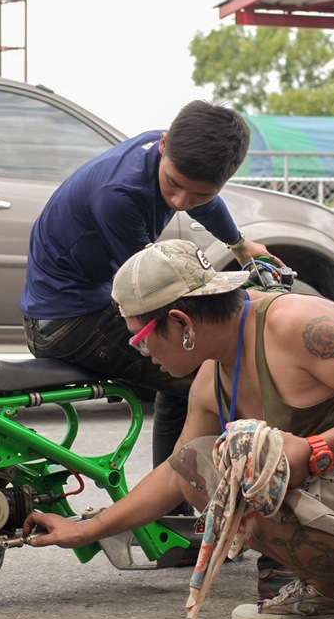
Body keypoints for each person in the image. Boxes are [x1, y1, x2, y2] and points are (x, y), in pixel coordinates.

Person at [24, 239, 334, 619]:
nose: (141, 354)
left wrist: (317, 448)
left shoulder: (295, 323)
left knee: (250, 482)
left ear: (180, 323)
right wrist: (86, 529)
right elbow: (178, 473)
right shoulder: (213, 372)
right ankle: (328, 588)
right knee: (203, 468)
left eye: (139, 340)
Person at [20, 100, 277, 471]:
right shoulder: (118, 197)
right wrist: (241, 299)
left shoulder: (165, 156)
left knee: (186, 371)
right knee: (207, 375)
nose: (180, 201)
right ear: (163, 144)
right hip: (67, 322)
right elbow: (158, 286)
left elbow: (199, 202)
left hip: (83, 304)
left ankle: (171, 507)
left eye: (199, 194)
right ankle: (177, 500)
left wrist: (239, 244)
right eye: (174, 185)